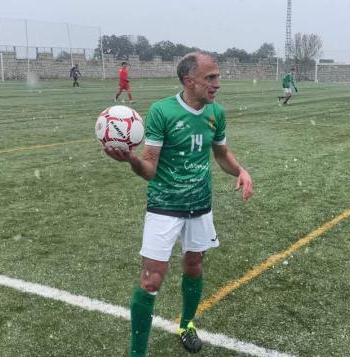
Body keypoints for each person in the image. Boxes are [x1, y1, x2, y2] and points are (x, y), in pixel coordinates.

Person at [102, 51, 253, 356]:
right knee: (151, 279)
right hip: (164, 206)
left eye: (218, 77)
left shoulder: (215, 113)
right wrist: (131, 159)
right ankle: (137, 353)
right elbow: (150, 169)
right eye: (210, 78)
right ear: (189, 80)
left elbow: (221, 154)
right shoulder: (162, 112)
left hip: (200, 205)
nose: (217, 84)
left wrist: (242, 171)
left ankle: (186, 324)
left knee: (194, 266)